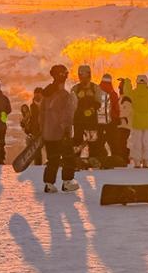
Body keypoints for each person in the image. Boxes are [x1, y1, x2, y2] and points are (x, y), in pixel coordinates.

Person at [40, 64, 79, 193]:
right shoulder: (63, 95)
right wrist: (67, 129)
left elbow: (41, 115)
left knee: (53, 158)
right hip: (60, 132)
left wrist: (42, 131)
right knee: (68, 157)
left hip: (48, 132)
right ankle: (67, 182)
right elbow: (66, 114)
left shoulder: (46, 94)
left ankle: (49, 184)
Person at [122, 75, 148, 168]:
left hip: (137, 122)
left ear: (137, 82)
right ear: (146, 82)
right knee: (147, 143)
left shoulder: (134, 93)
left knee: (136, 143)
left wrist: (127, 82)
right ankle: (147, 162)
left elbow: (126, 92)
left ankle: (137, 162)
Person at [71, 65, 100, 165]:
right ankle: (75, 159)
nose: (83, 78)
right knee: (77, 140)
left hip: (91, 119)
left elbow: (99, 102)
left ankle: (93, 159)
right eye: (81, 76)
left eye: (85, 76)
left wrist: (92, 110)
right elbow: (71, 104)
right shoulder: (75, 88)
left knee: (93, 141)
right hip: (79, 119)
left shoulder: (95, 88)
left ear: (89, 75)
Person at [96, 74, 120, 162]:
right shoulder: (113, 93)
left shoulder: (96, 92)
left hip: (98, 122)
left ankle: (98, 157)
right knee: (113, 141)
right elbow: (116, 108)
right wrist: (117, 117)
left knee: (99, 141)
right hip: (111, 121)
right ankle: (115, 159)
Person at [20, 87, 44, 166]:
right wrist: (25, 124)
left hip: (46, 130)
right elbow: (30, 117)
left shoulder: (46, 104)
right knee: (37, 150)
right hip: (36, 131)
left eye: (39, 94)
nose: (37, 96)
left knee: (50, 149)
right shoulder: (32, 106)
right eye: (36, 94)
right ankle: (38, 166)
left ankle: (50, 164)